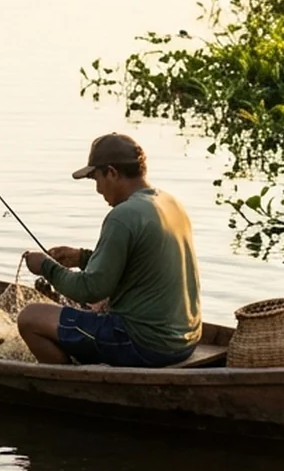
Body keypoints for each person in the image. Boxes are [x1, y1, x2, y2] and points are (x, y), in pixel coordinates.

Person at [18, 134, 202, 367]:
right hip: (186, 340)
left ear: (112, 173)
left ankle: (67, 384)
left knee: (30, 318)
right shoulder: (169, 202)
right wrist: (82, 258)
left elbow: (91, 289)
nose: (97, 190)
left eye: (96, 179)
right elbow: (139, 264)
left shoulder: (123, 216)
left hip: (144, 345)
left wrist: (45, 267)